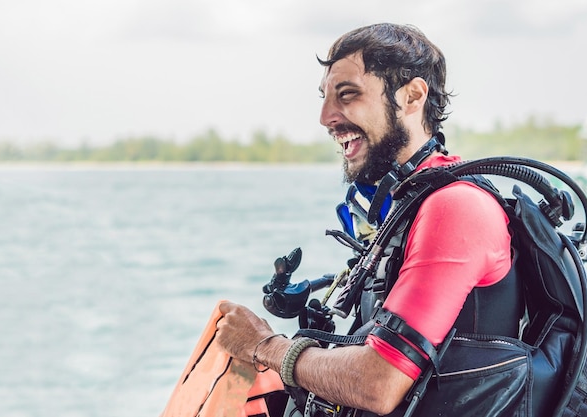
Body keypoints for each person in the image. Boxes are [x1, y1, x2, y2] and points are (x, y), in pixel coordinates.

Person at [215, 23, 517, 416]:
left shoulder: (455, 208)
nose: (326, 117)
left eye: (348, 95)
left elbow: (380, 382)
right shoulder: (409, 202)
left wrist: (265, 345)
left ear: (412, 96)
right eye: (325, 99)